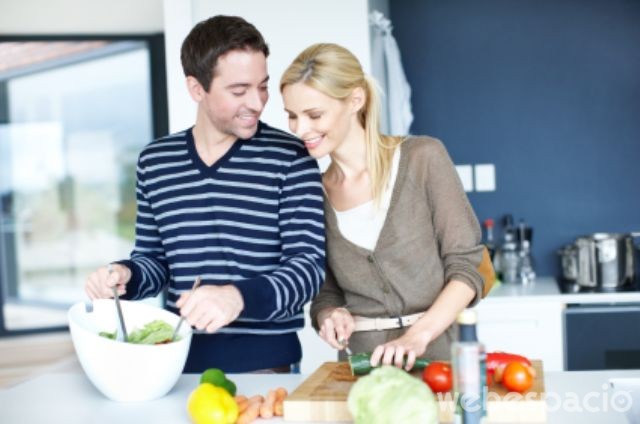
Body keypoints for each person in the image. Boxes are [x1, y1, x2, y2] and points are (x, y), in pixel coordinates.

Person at [85, 16, 325, 373]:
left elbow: (309, 268)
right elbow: (155, 261)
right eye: (239, 90)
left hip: (266, 365)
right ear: (197, 89)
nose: (258, 103)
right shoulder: (156, 161)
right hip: (176, 361)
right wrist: (126, 276)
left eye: (263, 86)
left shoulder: (291, 157)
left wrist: (237, 297)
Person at [280, 43, 484, 371]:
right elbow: (325, 290)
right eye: (291, 116)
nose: (300, 129)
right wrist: (328, 315)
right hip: (361, 369)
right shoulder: (310, 192)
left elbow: (469, 268)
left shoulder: (423, 158)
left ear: (355, 100)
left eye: (314, 115)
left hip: (441, 360)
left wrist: (417, 336)